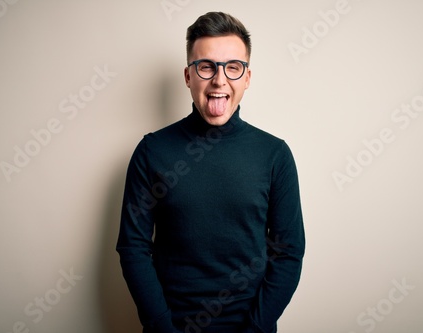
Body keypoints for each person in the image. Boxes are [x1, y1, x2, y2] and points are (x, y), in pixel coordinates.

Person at [116, 11, 305, 333]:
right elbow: (133, 247)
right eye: (207, 66)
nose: (220, 80)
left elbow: (289, 252)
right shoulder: (151, 151)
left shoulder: (275, 155)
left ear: (247, 77)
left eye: (233, 67)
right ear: (188, 76)